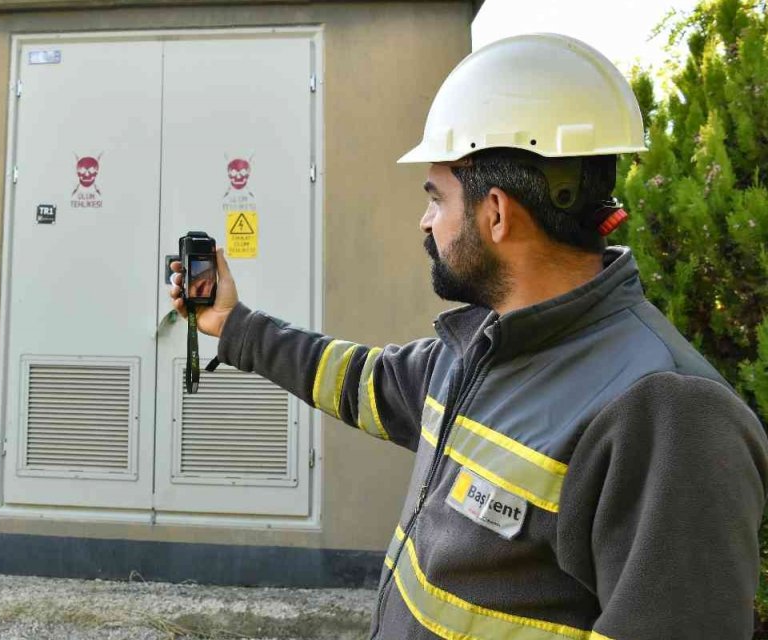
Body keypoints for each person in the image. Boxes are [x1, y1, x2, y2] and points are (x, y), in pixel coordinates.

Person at [170, 34, 768, 639]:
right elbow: (361, 381)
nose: (425, 221)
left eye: (437, 198)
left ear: (497, 213)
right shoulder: (485, 347)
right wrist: (232, 323)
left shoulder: (670, 413)